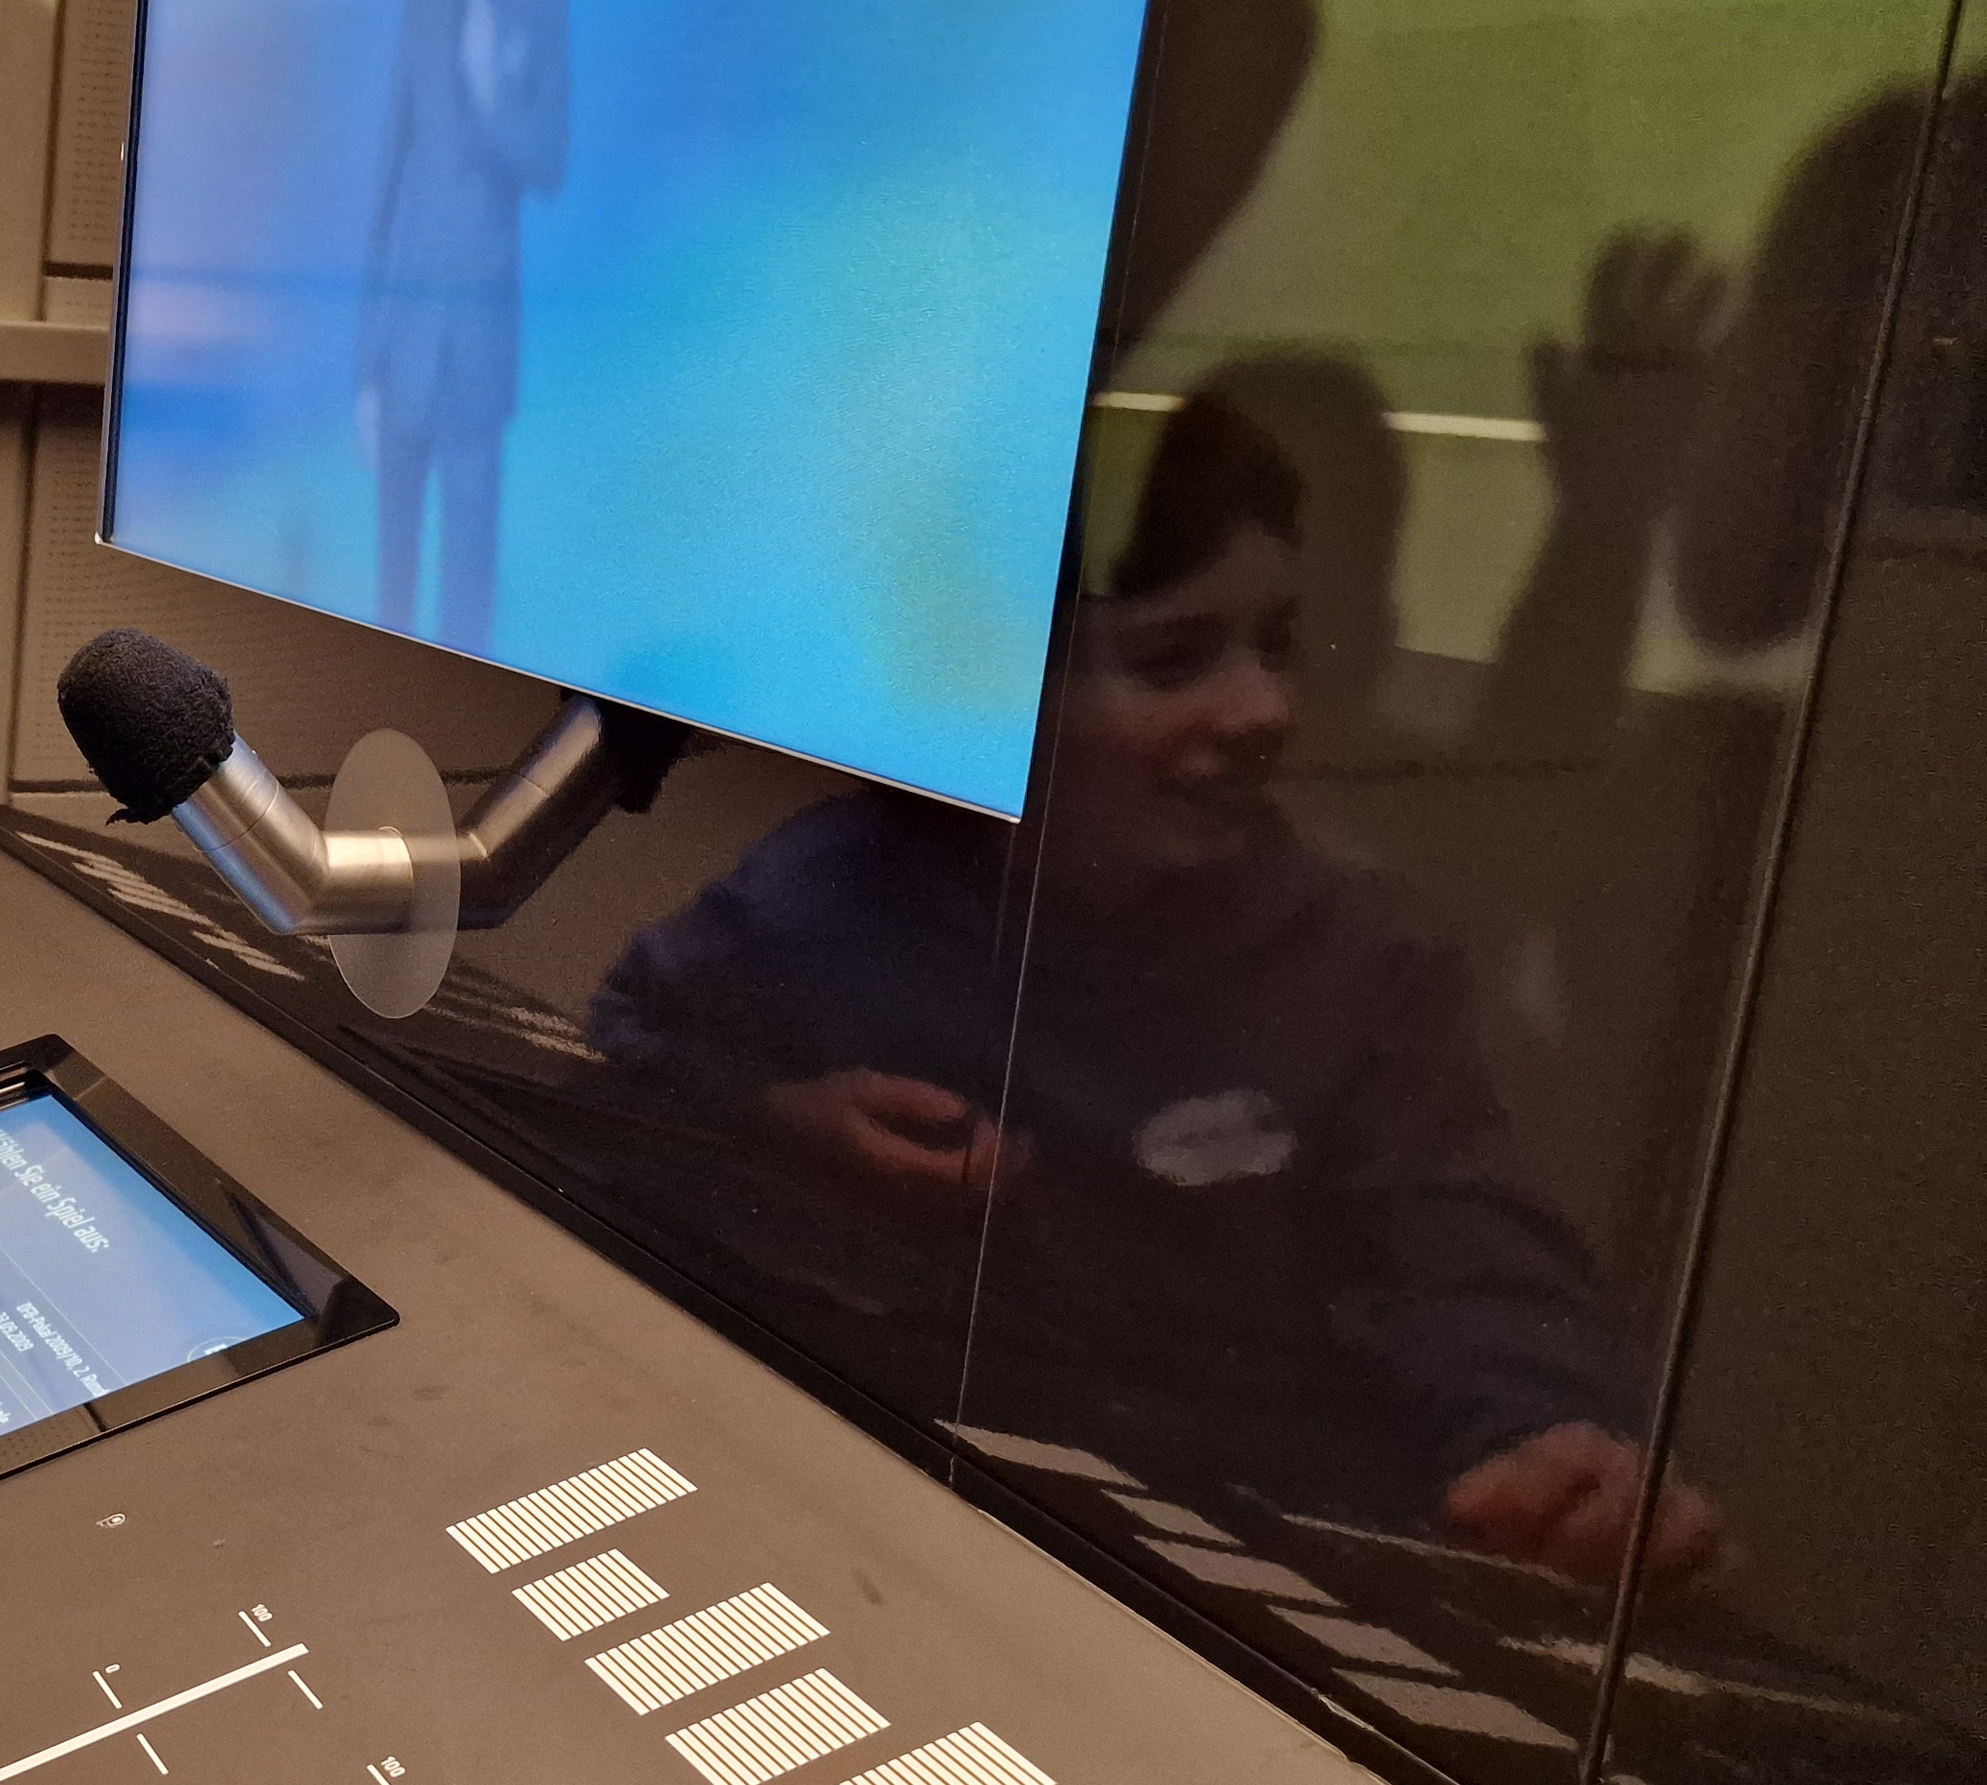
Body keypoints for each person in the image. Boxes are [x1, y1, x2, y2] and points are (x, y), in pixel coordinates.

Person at [585, 388, 1725, 1589]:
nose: (1265, 709)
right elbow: (638, 1043)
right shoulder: (822, 893)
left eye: (1278, 645)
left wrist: (1545, 1432)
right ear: (994, 694)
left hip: (1214, 1539)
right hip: (890, 1480)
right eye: (1174, 660)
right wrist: (783, 1117)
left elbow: (1465, 1247)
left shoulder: (1357, 952)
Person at [358, 0, 568, 654]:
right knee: (387, 604)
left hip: (479, 363)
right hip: (402, 353)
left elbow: (551, 157)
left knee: (467, 623)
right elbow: (386, 183)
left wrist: (491, 98)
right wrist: (365, 371)